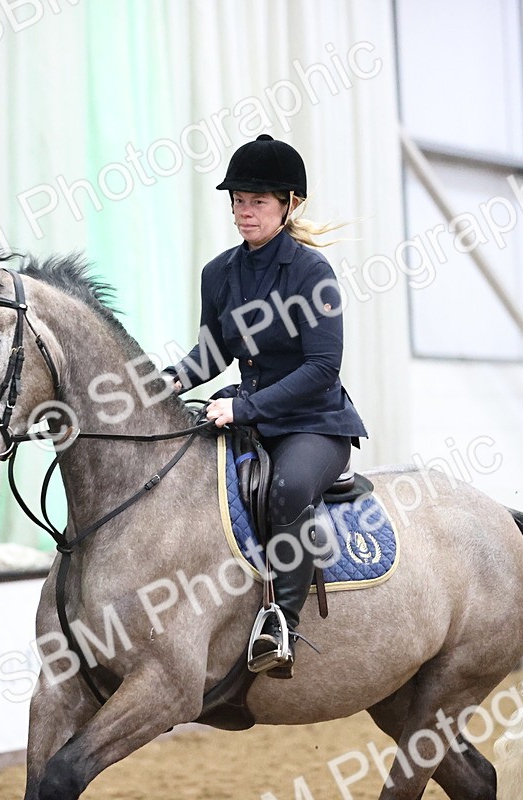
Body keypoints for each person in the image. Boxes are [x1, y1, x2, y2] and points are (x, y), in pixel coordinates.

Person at [163, 134, 368, 679]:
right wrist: (162, 382)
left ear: (288, 204)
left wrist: (246, 409)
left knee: (287, 489)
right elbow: (211, 354)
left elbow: (322, 368)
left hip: (313, 422)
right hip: (247, 411)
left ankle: (282, 622)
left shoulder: (311, 273)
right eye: (237, 200)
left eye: (257, 201)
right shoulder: (218, 273)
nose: (243, 211)